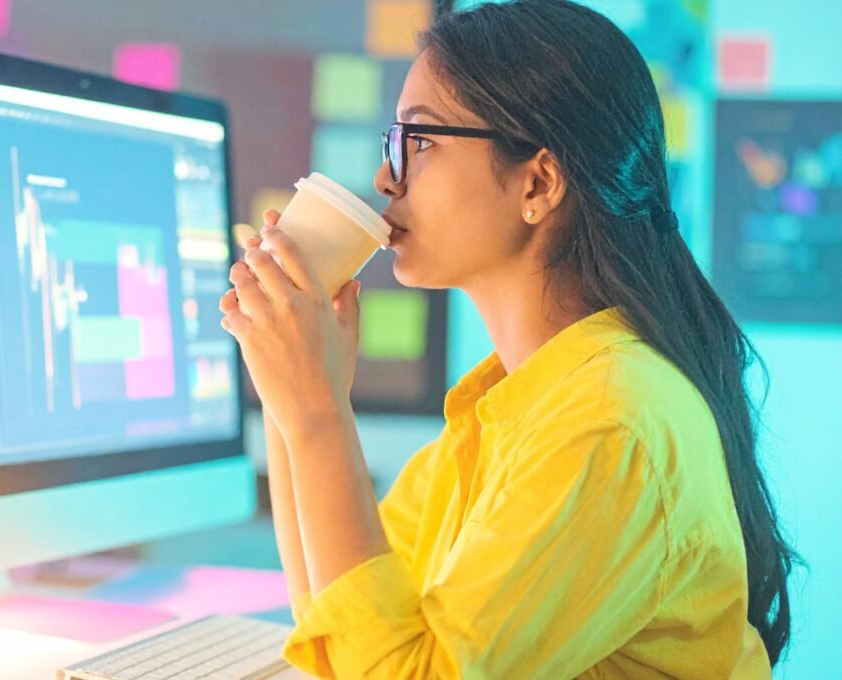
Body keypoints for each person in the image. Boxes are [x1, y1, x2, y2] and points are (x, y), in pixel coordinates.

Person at [218, 0, 797, 677]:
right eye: (393, 143)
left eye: (422, 141)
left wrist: (318, 414)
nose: (386, 178)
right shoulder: (513, 409)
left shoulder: (609, 424)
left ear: (539, 183)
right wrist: (298, 401)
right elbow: (341, 630)